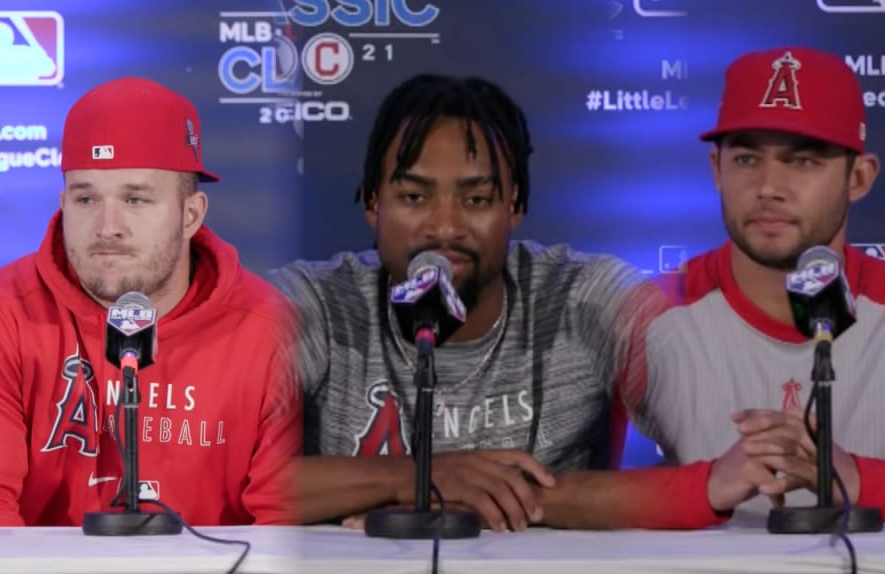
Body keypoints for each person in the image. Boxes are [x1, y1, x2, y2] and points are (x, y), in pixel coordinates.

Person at [272, 74, 728, 532]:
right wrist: (415, 478)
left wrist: (511, 496)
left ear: (514, 205)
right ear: (374, 202)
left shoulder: (589, 298)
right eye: (414, 196)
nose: (445, 227)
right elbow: (223, 472)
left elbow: (716, 462)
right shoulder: (315, 305)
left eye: (476, 199)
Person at [0, 77, 301, 526]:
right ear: (63, 203)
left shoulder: (272, 329)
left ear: (191, 214)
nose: (107, 226)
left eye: (135, 199)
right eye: (86, 198)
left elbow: (282, 528)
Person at [635, 46, 885, 523]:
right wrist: (703, 486)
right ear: (715, 170)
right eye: (747, 159)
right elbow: (566, 488)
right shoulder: (642, 314)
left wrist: (858, 480)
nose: (769, 185)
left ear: (860, 178)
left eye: (804, 161)